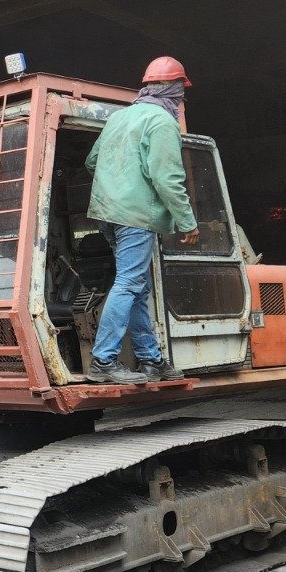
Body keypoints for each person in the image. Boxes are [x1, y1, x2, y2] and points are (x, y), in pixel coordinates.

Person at [83, 57, 200, 384]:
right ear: (176, 92)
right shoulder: (163, 122)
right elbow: (167, 178)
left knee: (137, 285)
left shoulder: (119, 118)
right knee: (130, 283)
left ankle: (151, 360)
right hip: (136, 216)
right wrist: (187, 221)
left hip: (108, 213)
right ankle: (104, 361)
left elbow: (92, 162)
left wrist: (118, 188)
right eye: (180, 96)